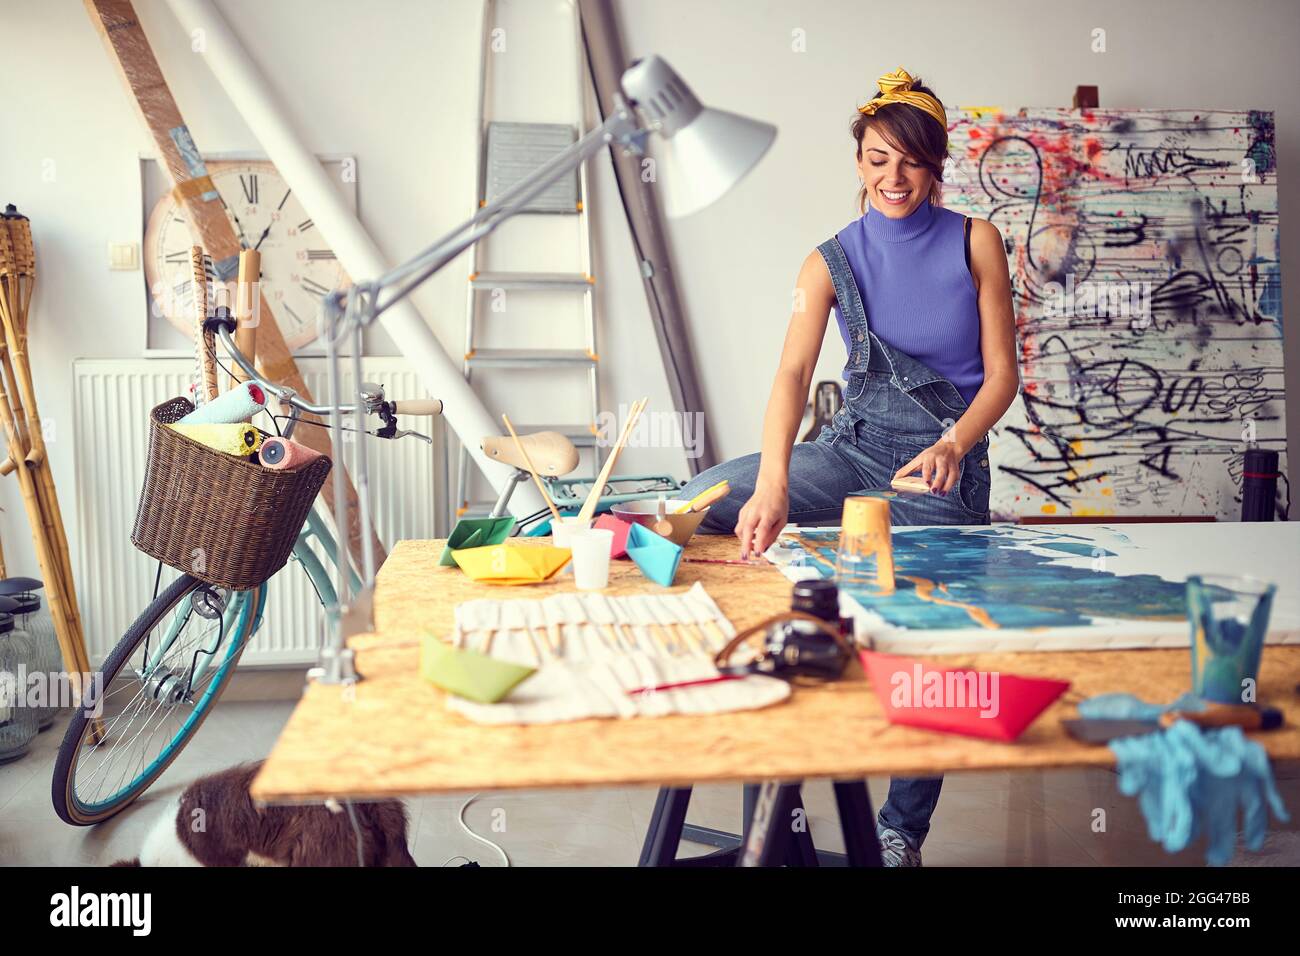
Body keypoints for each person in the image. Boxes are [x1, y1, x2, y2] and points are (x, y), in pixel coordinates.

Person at [678, 67, 1019, 865]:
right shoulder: (828, 262)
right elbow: (792, 379)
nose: (891, 178)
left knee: (917, 602)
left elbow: (1002, 375)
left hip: (941, 467)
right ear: (857, 163)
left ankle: (900, 830)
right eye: (875, 159)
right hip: (854, 446)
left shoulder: (976, 241)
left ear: (935, 166)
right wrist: (772, 486)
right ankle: (738, 706)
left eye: (908, 161)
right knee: (702, 499)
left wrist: (954, 443)